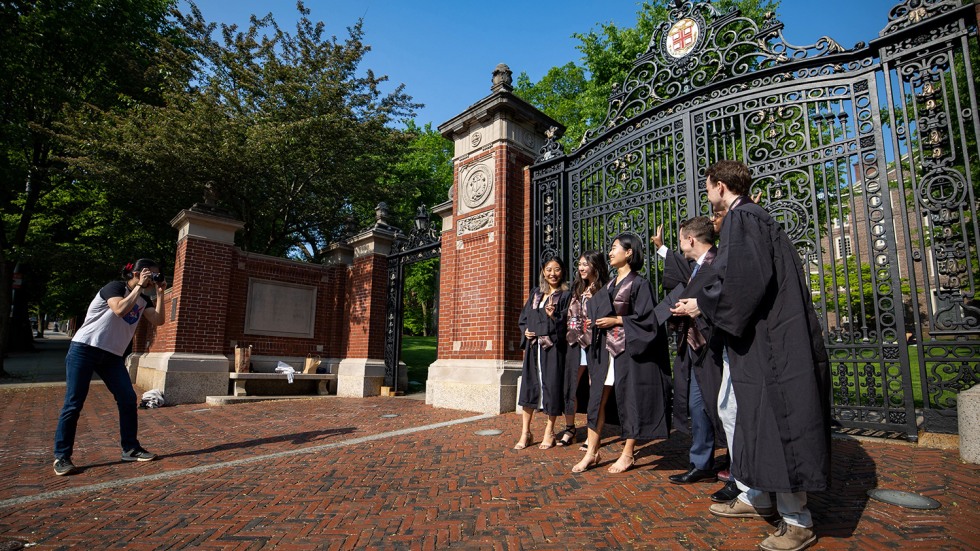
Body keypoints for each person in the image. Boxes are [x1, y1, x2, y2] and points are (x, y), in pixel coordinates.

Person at [671, 160, 831, 551]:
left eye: (708, 186)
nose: (707, 195)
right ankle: (755, 493)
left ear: (721, 186)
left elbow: (743, 284)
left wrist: (702, 305)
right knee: (733, 411)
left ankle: (797, 520)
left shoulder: (744, 219)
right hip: (752, 340)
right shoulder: (752, 219)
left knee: (775, 419)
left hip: (768, 344)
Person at [53, 259, 169, 476]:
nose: (154, 279)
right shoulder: (115, 287)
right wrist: (137, 289)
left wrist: (160, 294)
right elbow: (119, 309)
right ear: (137, 273)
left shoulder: (144, 299)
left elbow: (159, 320)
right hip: (85, 348)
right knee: (74, 403)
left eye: (156, 276)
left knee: (127, 398)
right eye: (151, 275)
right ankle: (62, 456)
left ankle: (130, 449)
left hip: (112, 356)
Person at [572, 233, 673, 474]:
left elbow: (648, 321)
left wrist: (616, 320)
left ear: (629, 252)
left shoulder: (640, 284)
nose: (610, 252)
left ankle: (628, 453)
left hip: (628, 351)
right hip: (605, 351)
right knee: (597, 400)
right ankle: (591, 453)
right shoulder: (607, 286)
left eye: (614, 248)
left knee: (631, 400)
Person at [652, 217, 725, 486]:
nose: (679, 243)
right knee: (697, 405)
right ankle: (701, 463)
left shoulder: (719, 262)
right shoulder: (696, 267)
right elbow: (681, 274)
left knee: (723, 408)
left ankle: (735, 461)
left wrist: (699, 306)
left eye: (681, 238)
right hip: (693, 348)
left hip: (715, 349)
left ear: (690, 239)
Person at [515, 256, 571, 450]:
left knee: (552, 386)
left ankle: (550, 431)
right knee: (529, 387)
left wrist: (553, 316)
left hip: (552, 348)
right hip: (533, 348)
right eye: (548, 269)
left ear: (562, 272)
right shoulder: (536, 293)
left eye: (556, 269)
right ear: (543, 272)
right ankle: (526, 433)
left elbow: (567, 323)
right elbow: (524, 318)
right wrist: (526, 331)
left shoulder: (565, 296)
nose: (552, 273)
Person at [557, 250, 610, 448]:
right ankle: (570, 428)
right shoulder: (576, 289)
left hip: (596, 344)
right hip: (575, 343)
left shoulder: (605, 289)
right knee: (570, 386)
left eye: (585, 264)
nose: (581, 268)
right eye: (579, 264)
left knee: (594, 390)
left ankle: (592, 434)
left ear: (596, 265)